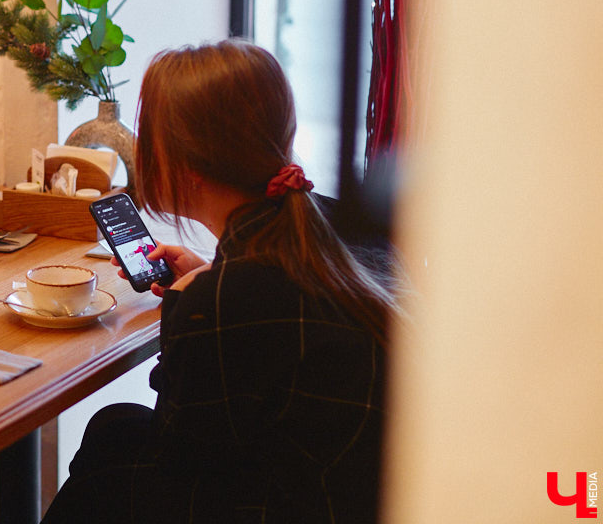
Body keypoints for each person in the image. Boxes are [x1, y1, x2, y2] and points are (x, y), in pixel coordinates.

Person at [41, 40, 400, 524]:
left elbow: (181, 472)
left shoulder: (221, 302)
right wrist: (212, 275)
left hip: (285, 506)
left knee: (109, 456)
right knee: (114, 427)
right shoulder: (342, 227)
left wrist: (192, 310)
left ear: (186, 168)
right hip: (348, 491)